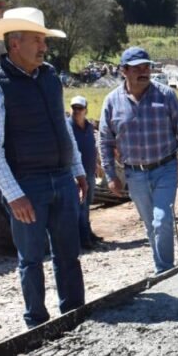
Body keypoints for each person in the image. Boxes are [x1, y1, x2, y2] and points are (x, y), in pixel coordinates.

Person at [0, 7, 88, 328]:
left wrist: (77, 167)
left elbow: (64, 126)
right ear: (15, 44)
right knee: (31, 260)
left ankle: (74, 315)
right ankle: (36, 323)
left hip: (62, 178)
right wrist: (13, 194)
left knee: (69, 253)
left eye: (44, 40)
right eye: (37, 40)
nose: (44, 47)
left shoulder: (50, 76)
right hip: (26, 185)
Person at [100, 47, 178, 274]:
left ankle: (164, 270)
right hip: (134, 174)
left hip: (165, 168)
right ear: (124, 71)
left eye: (147, 67)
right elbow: (105, 141)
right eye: (137, 68)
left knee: (161, 220)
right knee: (150, 224)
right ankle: (162, 265)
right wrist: (111, 176)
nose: (144, 72)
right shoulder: (112, 102)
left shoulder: (166, 96)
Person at [67, 95, 103, 249]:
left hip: (89, 170)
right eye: (74, 108)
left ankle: (88, 233)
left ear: (86, 110)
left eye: (79, 108)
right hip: (76, 173)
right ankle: (83, 239)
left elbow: (92, 146)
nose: (76, 111)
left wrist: (97, 164)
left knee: (87, 203)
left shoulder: (88, 126)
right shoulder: (67, 127)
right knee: (79, 206)